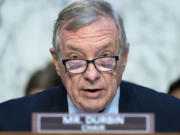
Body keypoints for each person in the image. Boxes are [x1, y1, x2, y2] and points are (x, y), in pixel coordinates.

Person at [0, 0, 180, 132]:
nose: (92, 75)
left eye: (105, 57)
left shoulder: (171, 117)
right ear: (57, 62)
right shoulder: (9, 121)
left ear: (124, 57)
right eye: (75, 58)